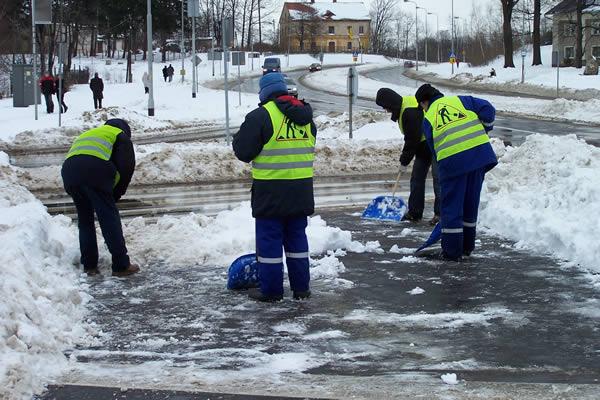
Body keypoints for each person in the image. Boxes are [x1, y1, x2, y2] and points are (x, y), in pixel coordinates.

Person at [232, 72, 317, 302]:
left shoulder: (261, 116)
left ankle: (271, 292)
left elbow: (243, 151)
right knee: (297, 240)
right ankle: (301, 289)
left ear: (264, 93)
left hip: (271, 191)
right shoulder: (306, 117)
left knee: (269, 242)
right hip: (301, 190)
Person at [415, 84, 497, 261]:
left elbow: (434, 149)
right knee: (470, 204)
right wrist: (486, 128)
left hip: (453, 164)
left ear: (424, 102)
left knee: (452, 208)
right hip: (479, 157)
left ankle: (452, 252)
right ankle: (467, 247)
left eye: (421, 106)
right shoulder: (461, 100)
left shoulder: (428, 118)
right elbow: (488, 108)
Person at [61, 119, 139, 277]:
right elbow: (126, 169)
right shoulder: (120, 136)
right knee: (108, 217)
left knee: (85, 220)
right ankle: (121, 265)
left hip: (69, 172)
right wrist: (116, 195)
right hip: (94, 170)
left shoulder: (91, 134)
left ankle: (89, 265)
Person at [376, 88, 441, 225]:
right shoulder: (403, 106)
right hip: (423, 147)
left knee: (438, 181)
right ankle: (415, 213)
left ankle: (440, 215)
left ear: (391, 103)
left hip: (435, 143)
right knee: (416, 179)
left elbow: (412, 139)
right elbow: (413, 139)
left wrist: (404, 161)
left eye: (385, 107)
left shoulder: (409, 112)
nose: (386, 111)